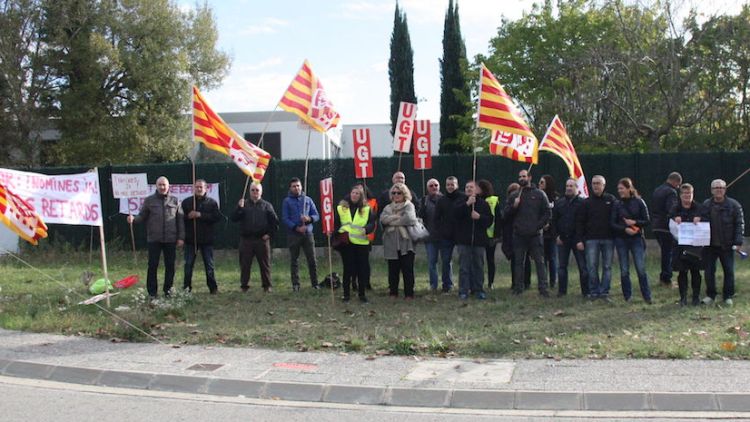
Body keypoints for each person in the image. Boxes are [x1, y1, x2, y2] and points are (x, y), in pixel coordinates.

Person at [127, 176, 184, 298]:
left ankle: (168, 290)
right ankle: (152, 292)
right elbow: (142, 216)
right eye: (160, 185)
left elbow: (180, 221)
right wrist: (134, 219)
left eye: (164, 185)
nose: (162, 187)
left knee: (170, 266)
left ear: (168, 186)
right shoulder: (149, 201)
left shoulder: (175, 201)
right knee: (152, 265)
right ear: (156, 186)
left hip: (170, 239)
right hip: (154, 239)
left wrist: (181, 237)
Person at [503, 170, 551, 297]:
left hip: (535, 235)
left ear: (529, 177)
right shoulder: (514, 195)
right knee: (519, 262)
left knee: (540, 263)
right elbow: (505, 214)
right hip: (519, 235)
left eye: (524, 176)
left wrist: (537, 226)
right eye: (520, 177)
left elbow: (547, 213)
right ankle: (518, 288)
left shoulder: (540, 194)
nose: (522, 178)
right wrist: (514, 206)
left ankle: (543, 288)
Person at [702, 179, 744, 306]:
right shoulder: (706, 205)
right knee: (709, 272)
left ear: (725, 190)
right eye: (716, 188)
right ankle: (710, 295)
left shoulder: (734, 205)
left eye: (721, 188)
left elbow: (739, 225)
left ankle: (727, 296)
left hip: (727, 245)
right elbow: (701, 222)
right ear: (711, 191)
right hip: (709, 246)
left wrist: (738, 241)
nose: (719, 190)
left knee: (729, 271)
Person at [230, 182, 278, 293]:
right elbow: (233, 218)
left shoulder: (267, 205)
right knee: (245, 264)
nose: (255, 192)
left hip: (262, 240)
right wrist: (239, 208)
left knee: (265, 264)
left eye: (257, 190)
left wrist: (269, 234)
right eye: (253, 190)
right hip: (246, 240)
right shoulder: (244, 204)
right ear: (249, 191)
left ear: (261, 192)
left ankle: (267, 286)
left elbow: (275, 223)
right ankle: (244, 286)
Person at [611, 177, 652, 304]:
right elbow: (612, 223)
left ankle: (647, 296)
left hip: (636, 239)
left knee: (641, 268)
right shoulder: (617, 204)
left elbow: (647, 220)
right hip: (621, 239)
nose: (620, 191)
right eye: (618, 189)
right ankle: (627, 296)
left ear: (629, 188)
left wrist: (635, 223)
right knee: (624, 269)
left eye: (622, 188)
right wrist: (624, 229)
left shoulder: (639, 202)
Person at [576, 175, 616, 300]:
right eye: (593, 183)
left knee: (607, 266)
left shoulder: (611, 200)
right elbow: (580, 222)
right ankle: (594, 291)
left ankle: (604, 291)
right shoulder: (586, 203)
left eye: (598, 183)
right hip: (591, 240)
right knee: (592, 266)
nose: (596, 186)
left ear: (604, 185)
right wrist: (579, 240)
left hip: (608, 239)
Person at [335, 185, 375, 303]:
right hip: (346, 243)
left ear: (361, 195)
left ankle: (362, 294)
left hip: (361, 243)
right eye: (353, 192)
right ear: (350, 193)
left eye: (357, 193)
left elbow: (372, 223)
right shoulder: (341, 208)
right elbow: (336, 223)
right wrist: (335, 234)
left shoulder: (367, 209)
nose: (355, 195)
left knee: (362, 269)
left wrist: (366, 229)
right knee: (348, 269)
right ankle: (346, 295)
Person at [454, 180, 493, 300]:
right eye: (466, 187)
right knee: (464, 267)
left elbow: (489, 220)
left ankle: (479, 290)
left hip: (479, 241)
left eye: (471, 187)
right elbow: (455, 215)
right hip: (463, 240)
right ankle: (463, 291)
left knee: (478, 266)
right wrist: (467, 204)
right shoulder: (460, 202)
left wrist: (479, 217)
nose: (469, 189)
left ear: (477, 190)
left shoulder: (483, 204)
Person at [182, 179, 222, 294]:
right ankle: (186, 288)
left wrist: (200, 215)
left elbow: (217, 217)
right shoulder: (187, 202)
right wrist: (188, 217)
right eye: (197, 187)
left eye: (201, 187)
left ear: (206, 189)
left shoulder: (212, 203)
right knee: (188, 265)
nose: (199, 189)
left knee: (209, 266)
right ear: (193, 188)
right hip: (191, 239)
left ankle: (213, 288)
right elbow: (180, 218)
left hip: (206, 240)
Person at [281, 177, 320, 291]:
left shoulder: (308, 200)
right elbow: (285, 218)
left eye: (298, 185)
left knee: (312, 259)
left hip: (308, 234)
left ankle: (315, 283)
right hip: (294, 235)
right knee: (294, 260)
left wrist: (309, 218)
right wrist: (296, 228)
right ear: (290, 188)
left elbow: (316, 215)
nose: (296, 188)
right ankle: (296, 284)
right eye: (294, 186)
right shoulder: (286, 201)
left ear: (301, 186)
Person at [380, 182, 418, 299]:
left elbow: (410, 219)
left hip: (406, 243)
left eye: (399, 193)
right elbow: (382, 219)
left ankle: (409, 294)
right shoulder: (388, 207)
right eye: (394, 193)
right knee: (393, 269)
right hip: (391, 243)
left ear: (404, 193)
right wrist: (397, 217)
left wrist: (392, 221)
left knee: (407, 269)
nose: (396, 195)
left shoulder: (409, 205)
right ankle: (393, 292)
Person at [668, 183, 704, 306]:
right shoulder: (675, 208)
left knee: (696, 272)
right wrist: (675, 218)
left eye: (689, 193)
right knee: (682, 272)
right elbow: (670, 221)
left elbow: (706, 221)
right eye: (684, 193)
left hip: (695, 246)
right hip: (679, 245)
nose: (687, 195)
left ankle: (696, 298)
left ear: (692, 194)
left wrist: (700, 218)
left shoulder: (699, 208)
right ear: (680, 195)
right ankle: (683, 298)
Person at [553, 177, 588, 297]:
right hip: (563, 240)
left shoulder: (583, 203)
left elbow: (585, 223)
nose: (568, 188)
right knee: (561, 267)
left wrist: (581, 240)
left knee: (583, 268)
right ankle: (562, 292)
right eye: (567, 186)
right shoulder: (559, 203)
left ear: (577, 188)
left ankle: (586, 292)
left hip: (578, 240)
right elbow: (554, 221)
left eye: (571, 186)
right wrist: (557, 236)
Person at [432, 176, 466, 293]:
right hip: (446, 236)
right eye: (448, 185)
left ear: (457, 185)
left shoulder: (463, 198)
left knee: (464, 262)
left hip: (461, 234)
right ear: (445, 186)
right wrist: (441, 231)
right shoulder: (441, 200)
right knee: (446, 261)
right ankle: (447, 285)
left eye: (452, 184)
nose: (450, 187)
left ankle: (464, 285)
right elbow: (436, 218)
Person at [652, 172, 682, 287]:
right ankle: (666, 279)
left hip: (656, 226)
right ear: (675, 181)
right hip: (666, 226)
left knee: (665, 252)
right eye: (678, 185)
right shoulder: (671, 192)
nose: (678, 187)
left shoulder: (657, 190)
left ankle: (664, 278)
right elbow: (671, 209)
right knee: (668, 253)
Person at [501, 183, 531, 291]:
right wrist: (513, 207)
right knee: (515, 260)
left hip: (523, 234)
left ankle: (526, 282)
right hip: (511, 235)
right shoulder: (508, 204)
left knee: (525, 259)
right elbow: (505, 216)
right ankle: (515, 282)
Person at [418, 178, 444, 292]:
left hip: (444, 236)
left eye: (436, 185)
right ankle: (433, 284)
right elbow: (419, 216)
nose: (434, 187)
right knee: (432, 262)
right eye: (431, 186)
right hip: (430, 236)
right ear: (427, 188)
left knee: (446, 261)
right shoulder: (423, 200)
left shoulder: (445, 199)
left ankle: (447, 284)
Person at [477, 179, 501, 289]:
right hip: (480, 234)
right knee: (479, 260)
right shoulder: (475, 200)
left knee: (490, 260)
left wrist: (497, 235)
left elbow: (498, 219)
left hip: (491, 235)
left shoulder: (494, 200)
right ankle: (479, 281)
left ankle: (491, 282)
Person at [539, 175, 559, 289]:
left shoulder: (555, 198)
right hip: (540, 232)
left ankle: (553, 280)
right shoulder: (538, 196)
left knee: (552, 257)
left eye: (542, 182)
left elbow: (556, 214)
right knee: (542, 258)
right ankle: (543, 280)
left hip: (551, 233)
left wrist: (549, 224)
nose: (540, 184)